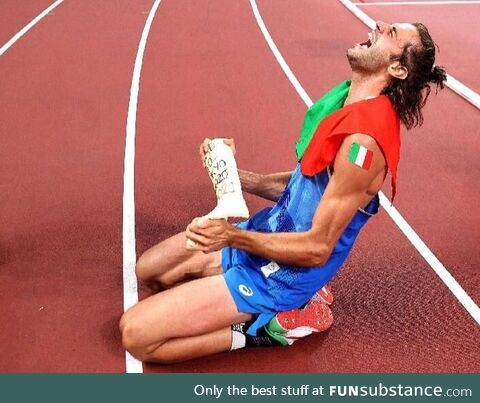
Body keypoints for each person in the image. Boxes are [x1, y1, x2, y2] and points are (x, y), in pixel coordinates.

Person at [120, 21, 446, 363]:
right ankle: (235, 289)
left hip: (284, 275)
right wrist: (231, 173)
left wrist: (231, 237)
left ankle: (265, 329)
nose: (379, 26)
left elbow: (317, 248)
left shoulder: (362, 145)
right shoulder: (343, 106)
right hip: (265, 236)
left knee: (137, 336)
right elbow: (300, 189)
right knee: (150, 270)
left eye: (391, 34)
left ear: (396, 68)